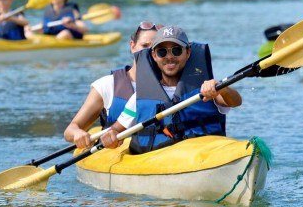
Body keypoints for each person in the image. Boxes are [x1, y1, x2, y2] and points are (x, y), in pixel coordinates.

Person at [99, 25, 242, 154]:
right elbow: (116, 130)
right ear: (154, 55)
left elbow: (235, 101)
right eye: (162, 52)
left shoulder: (207, 89)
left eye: (176, 50)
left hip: (205, 154)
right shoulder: (140, 98)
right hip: (161, 161)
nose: (169, 57)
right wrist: (110, 136)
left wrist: (221, 89)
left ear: (188, 52)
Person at [63, 22, 162, 150]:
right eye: (144, 45)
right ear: (132, 46)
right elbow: (70, 130)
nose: (148, 52)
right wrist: (78, 133)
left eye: (156, 48)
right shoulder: (107, 85)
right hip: (116, 153)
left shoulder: (171, 85)